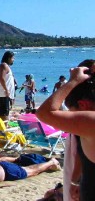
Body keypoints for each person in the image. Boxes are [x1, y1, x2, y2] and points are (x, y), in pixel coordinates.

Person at [36, 59, 95, 201]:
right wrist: (75, 180)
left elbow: (44, 113)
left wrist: (73, 81)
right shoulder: (87, 129)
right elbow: (82, 154)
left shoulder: (91, 122)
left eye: (72, 112)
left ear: (83, 104)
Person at [0, 51, 15, 120]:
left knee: (4, 114)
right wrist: (6, 90)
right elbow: (1, 78)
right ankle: (3, 129)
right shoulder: (4, 65)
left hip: (3, 94)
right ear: (9, 58)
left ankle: (2, 129)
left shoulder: (5, 66)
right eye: (13, 58)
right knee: (4, 115)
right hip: (2, 94)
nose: (13, 59)